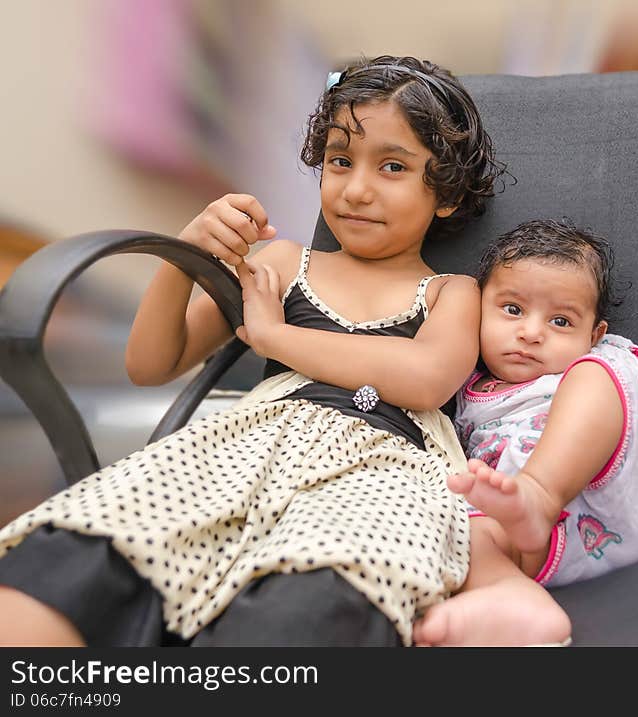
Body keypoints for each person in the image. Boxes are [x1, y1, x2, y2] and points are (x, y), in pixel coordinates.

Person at [0, 55, 505, 647]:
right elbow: (151, 364)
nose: (357, 189)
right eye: (340, 162)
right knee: (88, 545)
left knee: (319, 596)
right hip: (240, 450)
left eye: (392, 166)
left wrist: (274, 337)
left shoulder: (452, 292)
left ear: (444, 195)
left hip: (380, 466)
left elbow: (425, 381)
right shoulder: (284, 262)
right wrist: (185, 254)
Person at [412, 220, 638, 646]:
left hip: (625, 488)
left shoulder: (595, 360)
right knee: (468, 529)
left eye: (561, 321)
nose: (531, 333)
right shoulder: (462, 380)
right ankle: (513, 599)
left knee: (595, 376)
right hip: (556, 541)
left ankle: (540, 494)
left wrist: (584, 412)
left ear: (594, 333)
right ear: (478, 309)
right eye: (512, 310)